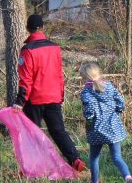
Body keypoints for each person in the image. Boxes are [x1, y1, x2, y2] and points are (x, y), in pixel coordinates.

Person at [12, 14, 85, 172]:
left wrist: (19, 102)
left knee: (32, 134)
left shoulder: (27, 50)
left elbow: (26, 80)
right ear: (43, 28)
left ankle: (33, 167)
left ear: (27, 29)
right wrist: (61, 96)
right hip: (53, 97)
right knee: (58, 131)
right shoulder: (54, 48)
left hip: (34, 99)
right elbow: (59, 74)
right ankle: (75, 159)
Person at [79, 62, 132, 183]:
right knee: (117, 158)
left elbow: (89, 113)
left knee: (94, 158)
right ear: (98, 73)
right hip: (113, 128)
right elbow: (120, 102)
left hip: (96, 130)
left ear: (84, 78)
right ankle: (129, 179)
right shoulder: (110, 86)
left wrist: (88, 121)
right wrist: (117, 111)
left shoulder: (86, 92)